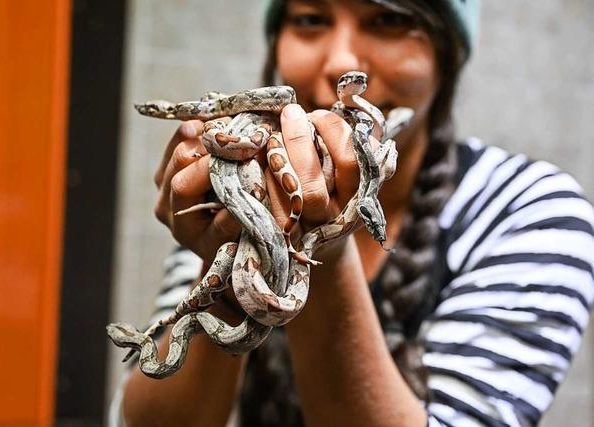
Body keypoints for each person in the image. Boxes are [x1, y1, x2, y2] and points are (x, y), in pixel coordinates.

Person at [111, 1, 594, 426]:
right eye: (310, 19)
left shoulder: (529, 210)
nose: (341, 60)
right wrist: (231, 246)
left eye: (389, 19)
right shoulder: (232, 182)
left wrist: (321, 242)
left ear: (446, 56)